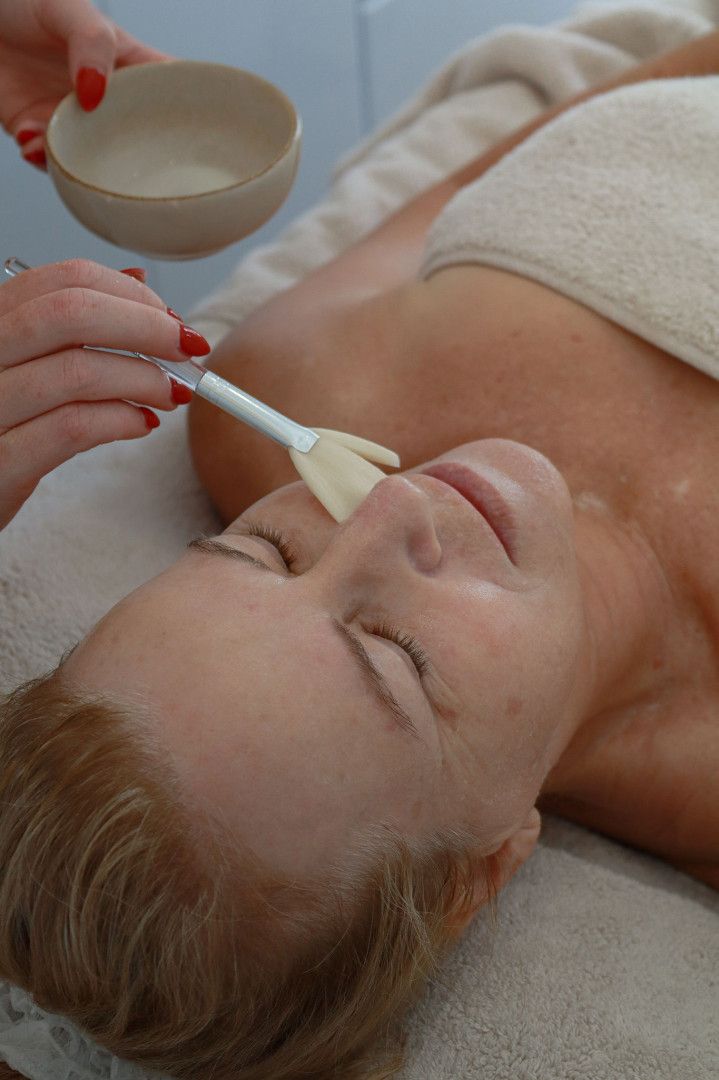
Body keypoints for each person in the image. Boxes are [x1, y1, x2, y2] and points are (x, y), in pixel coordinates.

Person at [0, 5, 717, 1080]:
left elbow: (522, 147)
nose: (385, 507)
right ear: (480, 871)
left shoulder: (293, 393)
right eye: (398, 652)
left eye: (263, 555)